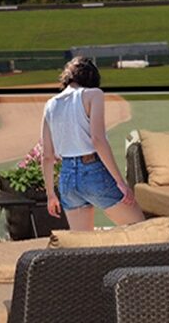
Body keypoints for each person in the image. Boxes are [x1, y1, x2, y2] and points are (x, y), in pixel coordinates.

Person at [41, 56, 144, 231]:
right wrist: (120, 182)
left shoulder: (50, 105)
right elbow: (98, 140)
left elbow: (47, 156)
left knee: (83, 246)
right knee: (142, 230)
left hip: (66, 179)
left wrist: (51, 195)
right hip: (92, 172)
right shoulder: (93, 95)